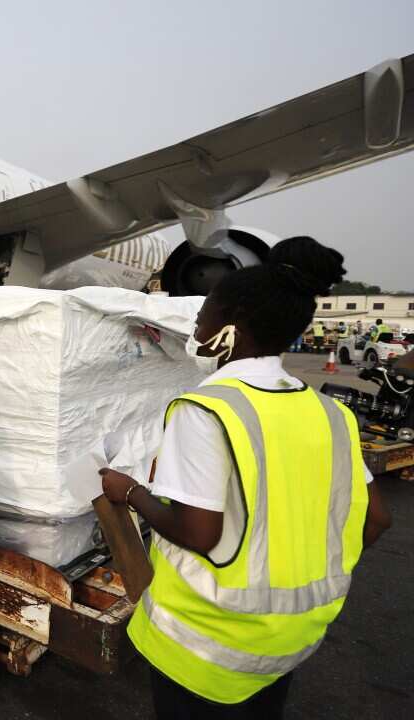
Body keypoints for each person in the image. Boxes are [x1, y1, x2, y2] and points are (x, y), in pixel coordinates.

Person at [99, 236, 392, 719]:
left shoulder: (205, 411)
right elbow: (376, 517)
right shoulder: (332, 413)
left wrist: (128, 491)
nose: (195, 328)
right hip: (291, 640)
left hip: (208, 645)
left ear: (230, 327)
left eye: (202, 317)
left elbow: (199, 533)